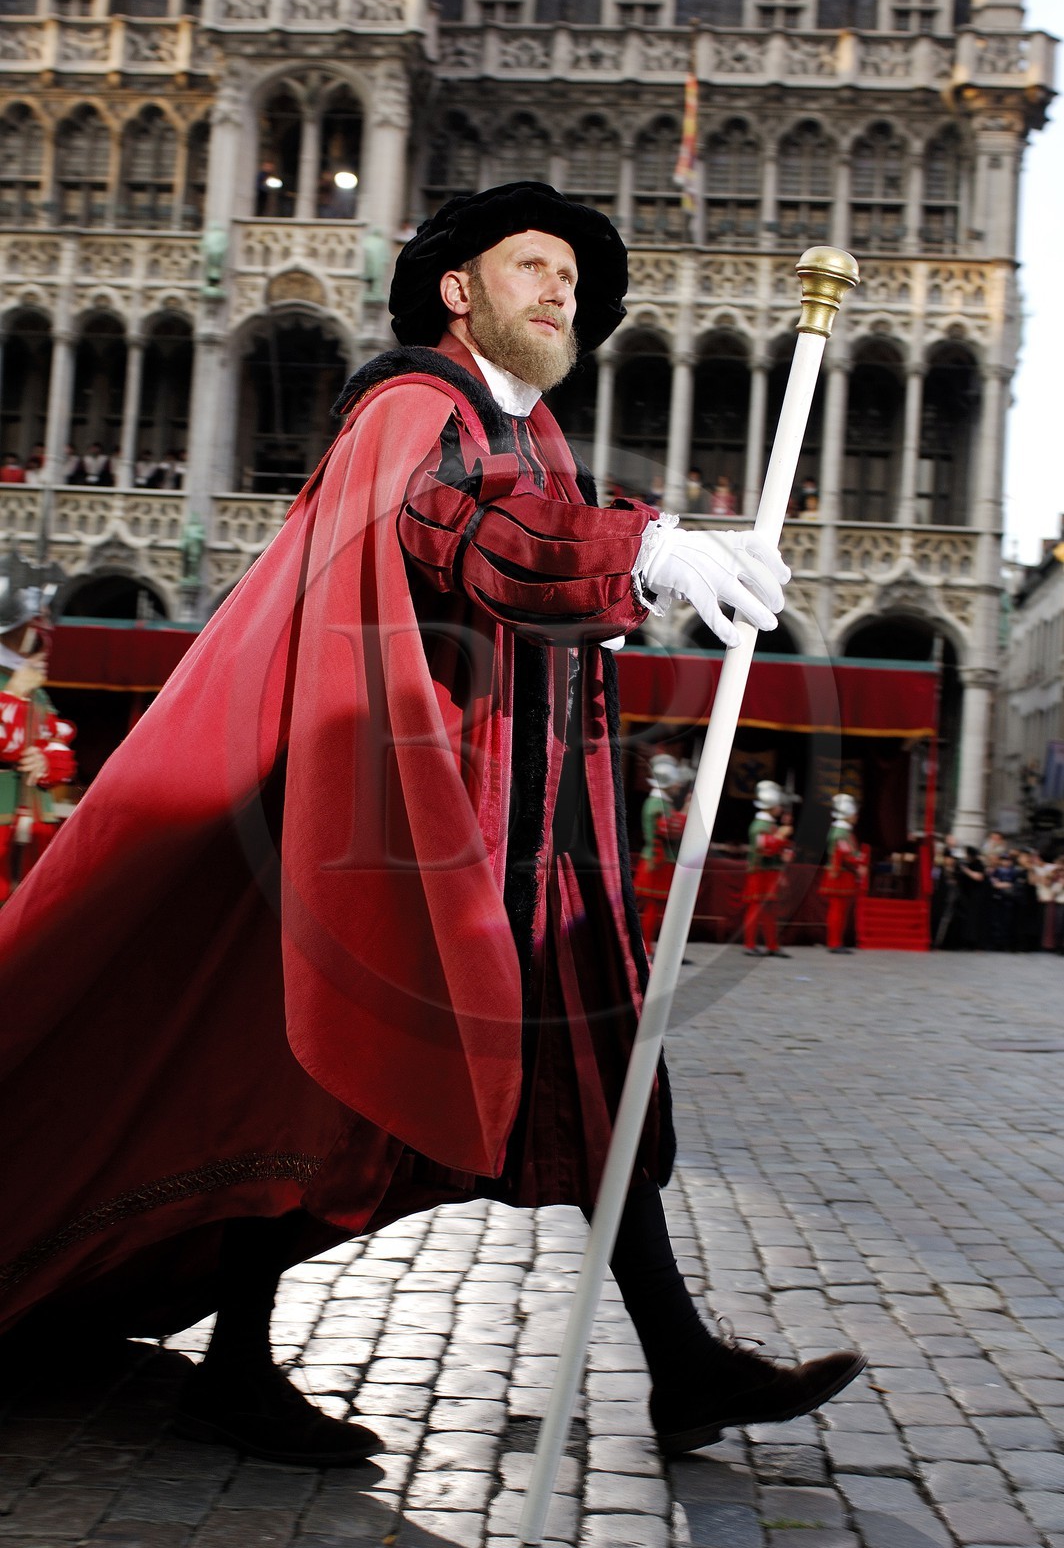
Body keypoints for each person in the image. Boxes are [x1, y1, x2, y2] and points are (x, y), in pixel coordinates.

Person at [0, 182, 864, 1466]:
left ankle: (678, 1361)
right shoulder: (414, 405)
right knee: (315, 1083)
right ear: (459, 290)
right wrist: (643, 551)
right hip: (410, 823)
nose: (560, 290)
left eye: (572, 278)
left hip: (533, 834)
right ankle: (236, 1368)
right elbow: (450, 519)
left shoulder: (538, 437)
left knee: (601, 1080)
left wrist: (621, 583)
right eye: (532, 266)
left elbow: (529, 569)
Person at [0, 587, 77, 905]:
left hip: (32, 822)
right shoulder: (17, 685)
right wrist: (13, 695)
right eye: (33, 624)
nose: (43, 634)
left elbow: (59, 744)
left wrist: (46, 761)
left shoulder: (37, 692)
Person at [633, 752, 691, 952]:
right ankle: (646, 948)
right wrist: (686, 810)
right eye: (675, 782)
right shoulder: (658, 804)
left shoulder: (662, 803)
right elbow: (671, 830)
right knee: (652, 907)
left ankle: (650, 947)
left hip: (660, 859)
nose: (678, 786)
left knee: (655, 908)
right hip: (657, 860)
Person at [743, 778, 794, 956]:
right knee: (756, 908)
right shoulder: (759, 826)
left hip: (770, 872)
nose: (780, 808)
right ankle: (749, 944)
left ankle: (772, 945)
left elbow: (778, 848)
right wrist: (781, 836)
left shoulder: (771, 825)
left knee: (770, 910)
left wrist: (784, 848)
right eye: (778, 805)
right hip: (760, 873)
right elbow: (765, 848)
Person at [819, 793, 865, 953]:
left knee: (841, 910)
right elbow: (845, 855)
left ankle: (837, 941)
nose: (856, 816)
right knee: (837, 910)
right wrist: (859, 862)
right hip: (840, 875)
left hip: (844, 874)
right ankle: (834, 943)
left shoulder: (843, 832)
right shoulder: (840, 833)